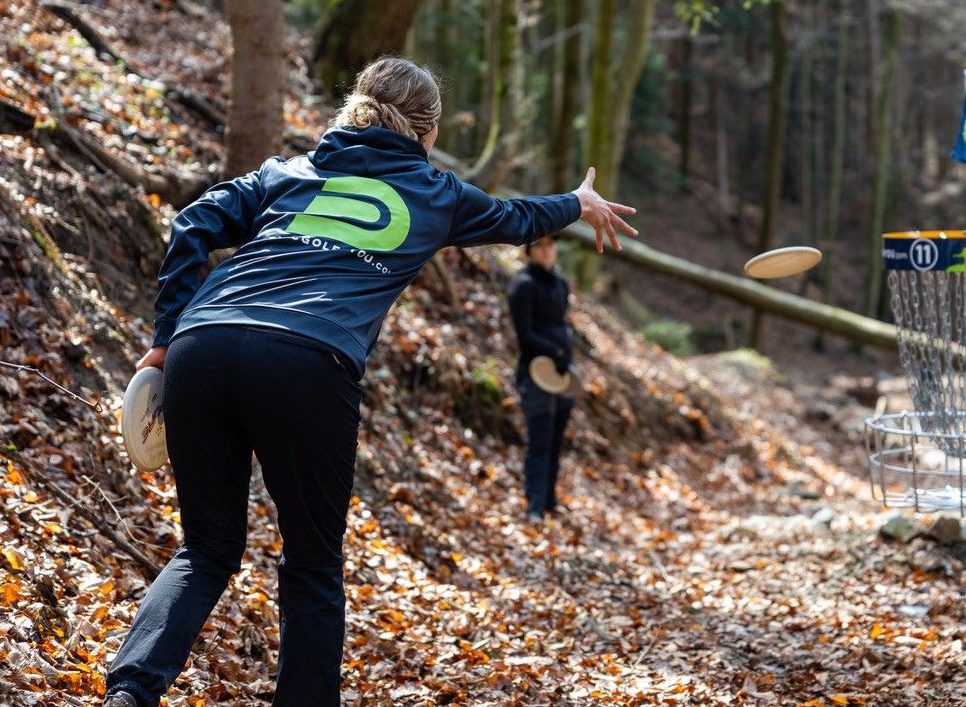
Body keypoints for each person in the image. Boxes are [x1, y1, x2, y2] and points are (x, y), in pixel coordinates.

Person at [102, 57, 637, 707]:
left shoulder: (291, 171)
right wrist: (577, 202)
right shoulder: (435, 194)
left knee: (207, 549)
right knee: (311, 566)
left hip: (202, 346)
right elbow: (516, 218)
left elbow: (192, 223)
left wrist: (162, 343)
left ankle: (129, 693)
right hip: (308, 362)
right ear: (427, 133)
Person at [507, 235, 575, 518]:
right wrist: (555, 352)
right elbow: (525, 335)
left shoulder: (560, 283)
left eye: (550, 245)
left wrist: (567, 357)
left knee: (557, 440)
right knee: (540, 440)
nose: (546, 251)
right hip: (536, 374)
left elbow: (562, 324)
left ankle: (549, 501)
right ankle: (534, 506)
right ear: (529, 251)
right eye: (539, 246)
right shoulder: (523, 285)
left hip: (563, 375)